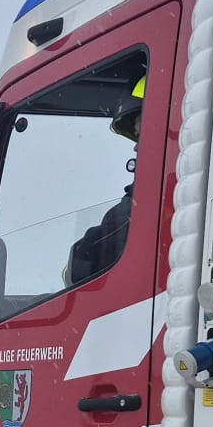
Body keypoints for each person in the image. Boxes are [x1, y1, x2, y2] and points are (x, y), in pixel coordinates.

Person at [65, 74, 142, 287]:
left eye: (140, 134)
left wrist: (85, 251)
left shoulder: (130, 212)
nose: (136, 146)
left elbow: (85, 270)